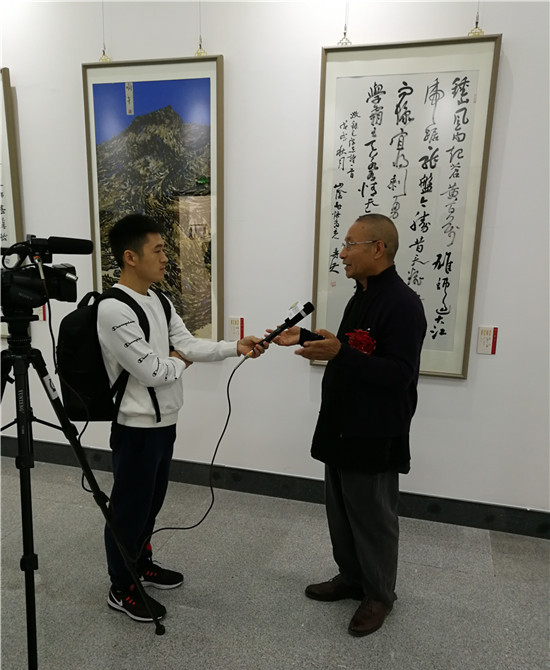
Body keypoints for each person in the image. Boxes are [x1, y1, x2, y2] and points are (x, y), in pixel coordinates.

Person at [98, 213, 265, 623]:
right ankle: (121, 586)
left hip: (165, 423)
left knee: (151, 504)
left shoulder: (159, 300)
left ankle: (141, 562)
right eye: (157, 250)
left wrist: (234, 347)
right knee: (128, 509)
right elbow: (152, 372)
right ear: (130, 257)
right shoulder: (113, 309)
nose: (165, 257)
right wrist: (176, 361)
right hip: (136, 427)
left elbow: (185, 345)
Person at [271, 213, 426, 636]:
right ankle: (353, 578)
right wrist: (305, 338)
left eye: (350, 244)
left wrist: (340, 353)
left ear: (378, 248)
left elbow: (399, 374)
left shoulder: (403, 304)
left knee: (373, 518)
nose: (342, 253)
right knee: (340, 512)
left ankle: (379, 594)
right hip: (342, 425)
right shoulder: (360, 296)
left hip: (374, 430)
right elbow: (350, 351)